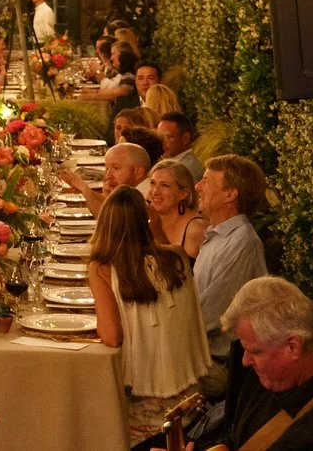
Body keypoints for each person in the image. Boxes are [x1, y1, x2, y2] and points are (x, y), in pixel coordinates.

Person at [86, 188, 211, 443]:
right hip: (189, 401)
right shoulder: (176, 258)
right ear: (147, 220)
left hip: (143, 412)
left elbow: (111, 337)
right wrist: (156, 229)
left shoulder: (102, 268)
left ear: (104, 223)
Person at [213, 277, 313, 450]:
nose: (245, 361)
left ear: (293, 346)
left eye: (255, 352)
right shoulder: (266, 377)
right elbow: (235, 440)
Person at [195, 154, 270, 359]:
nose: (198, 187)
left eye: (206, 181)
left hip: (216, 362)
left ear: (230, 195)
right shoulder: (217, 235)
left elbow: (210, 316)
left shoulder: (242, 244)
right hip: (199, 352)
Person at [63, 141, 152, 217]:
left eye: (116, 168)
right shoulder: (131, 190)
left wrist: (85, 191)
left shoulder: (146, 196)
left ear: (138, 172)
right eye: (107, 168)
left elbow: (109, 221)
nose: (108, 175)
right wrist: (86, 191)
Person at [147, 158, 207, 260]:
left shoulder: (196, 229)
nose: (155, 191)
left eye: (164, 185)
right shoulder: (148, 220)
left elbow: (180, 272)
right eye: (152, 183)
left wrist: (158, 235)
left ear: (183, 194)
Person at [157, 112, 204, 181]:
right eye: (160, 137)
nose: (162, 142)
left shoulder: (187, 169)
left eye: (168, 137)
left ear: (185, 138)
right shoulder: (170, 162)